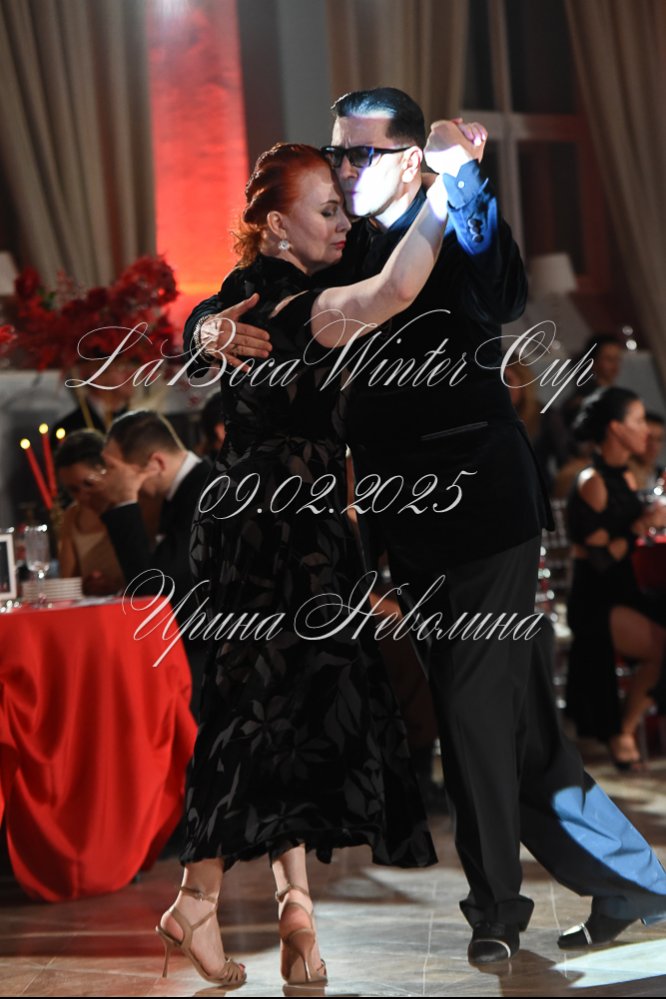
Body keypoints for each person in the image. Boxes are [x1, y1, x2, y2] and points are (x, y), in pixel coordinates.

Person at [186, 88, 666, 963]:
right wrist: (204, 327)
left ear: (410, 157)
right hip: (405, 524)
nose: (343, 169)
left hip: (484, 509)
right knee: (525, 727)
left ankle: (494, 911)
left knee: (472, 710)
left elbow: (504, 285)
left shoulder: (453, 222)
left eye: (360, 153)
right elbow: (253, 291)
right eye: (338, 152)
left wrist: (463, 179)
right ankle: (631, 882)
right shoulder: (344, 242)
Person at [156, 132, 474, 987]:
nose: (341, 220)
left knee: (282, 711)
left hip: (277, 524)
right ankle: (198, 897)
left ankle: (293, 907)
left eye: (341, 206)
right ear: (274, 226)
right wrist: (446, 187)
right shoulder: (297, 308)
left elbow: (199, 324)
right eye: (326, 209)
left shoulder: (252, 297)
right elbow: (395, 288)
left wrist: (202, 327)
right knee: (261, 711)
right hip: (283, 532)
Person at [565, 387, 666, 768]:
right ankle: (623, 731)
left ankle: (627, 728)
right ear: (616, 429)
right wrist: (641, 526)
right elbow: (600, 560)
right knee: (662, 646)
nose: (646, 431)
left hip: (625, 591)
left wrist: (651, 518)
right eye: (638, 421)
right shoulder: (593, 481)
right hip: (597, 599)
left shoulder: (625, 475)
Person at [92, 410, 212, 714]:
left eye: (112, 468)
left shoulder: (204, 494)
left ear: (156, 463)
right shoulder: (187, 490)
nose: (105, 478)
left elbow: (151, 591)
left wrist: (124, 501)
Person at [54, 429, 124, 596]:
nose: (82, 496)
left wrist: (118, 588)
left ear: (107, 468)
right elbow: (68, 584)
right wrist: (87, 586)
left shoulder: (132, 508)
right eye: (73, 490)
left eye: (88, 484)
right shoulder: (73, 516)